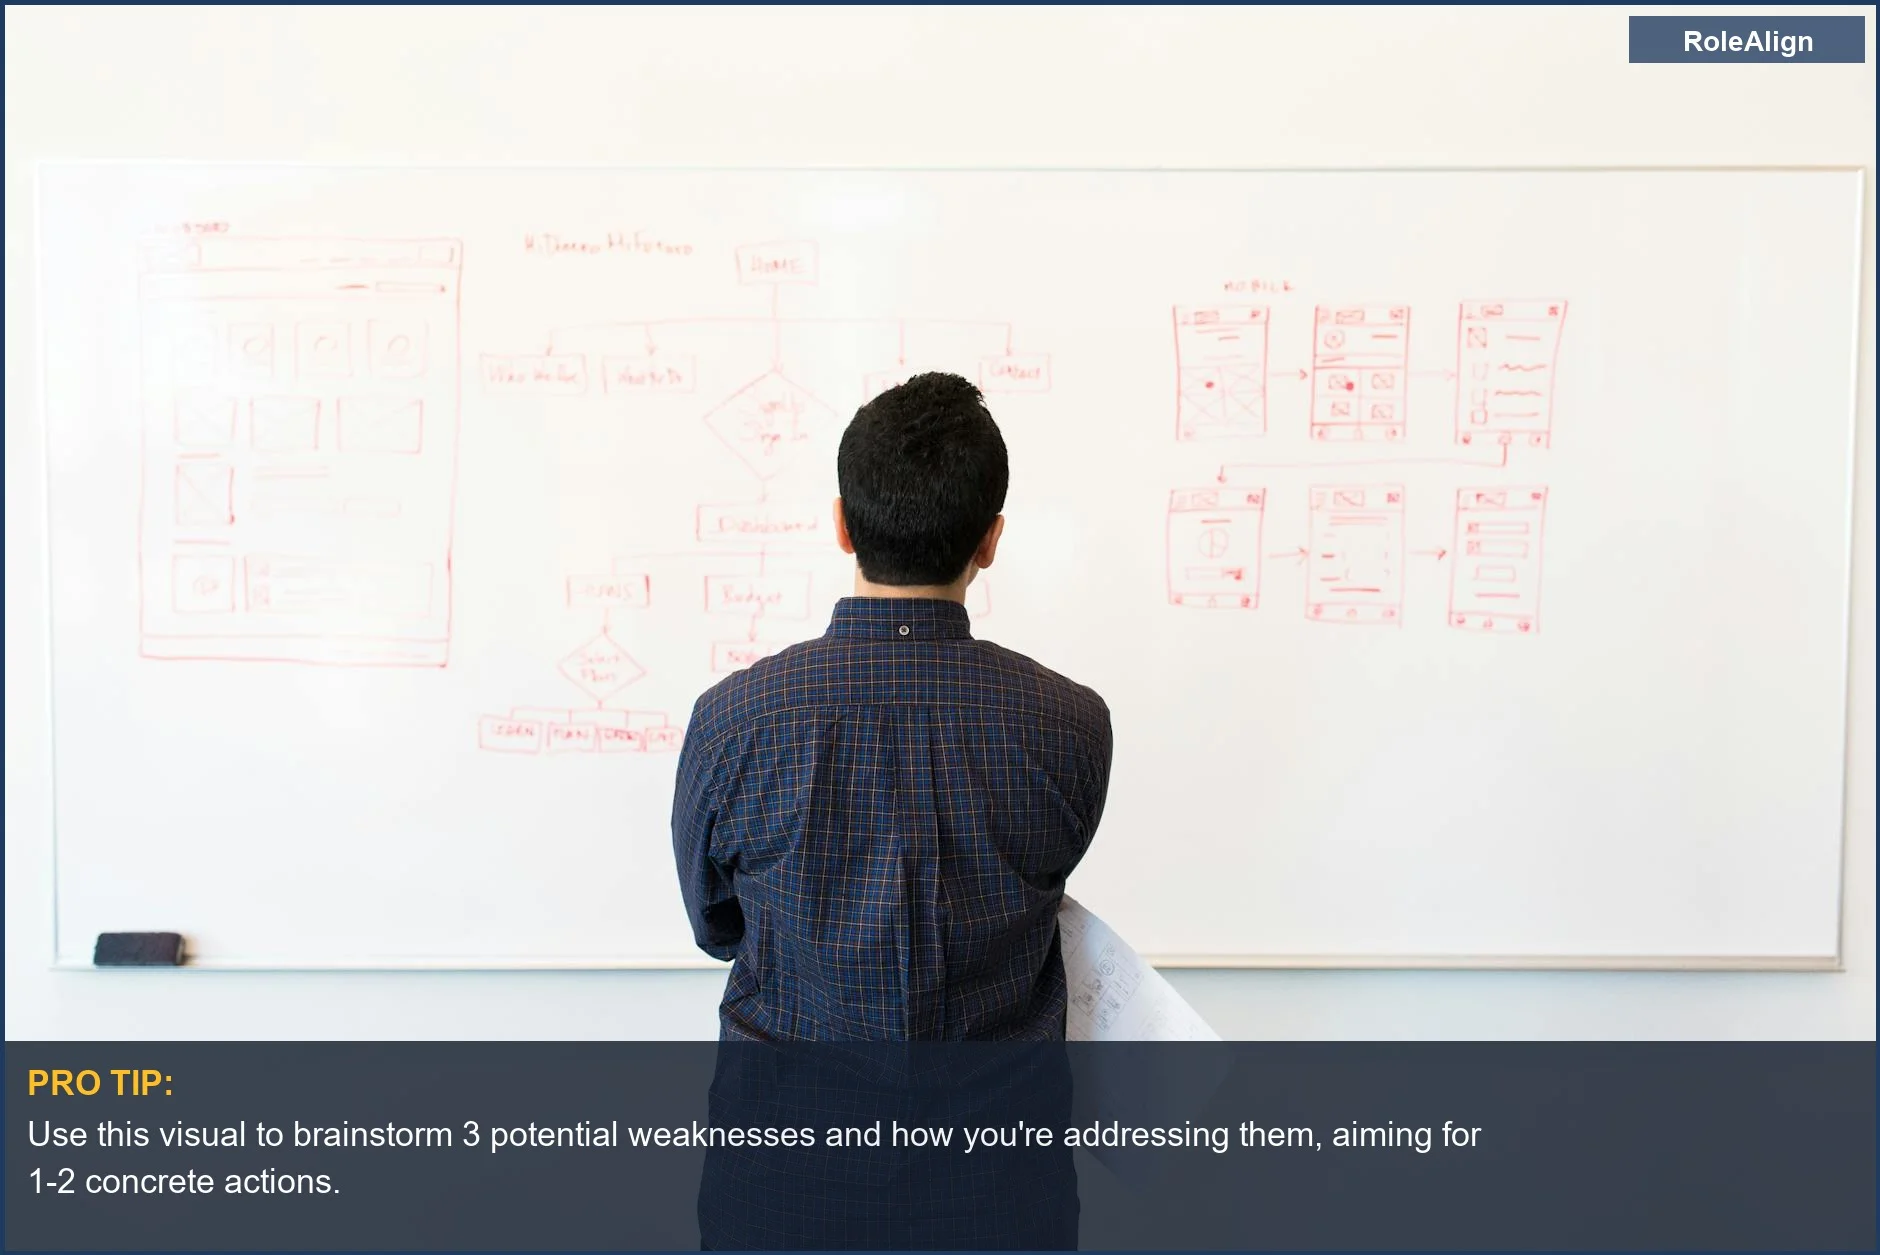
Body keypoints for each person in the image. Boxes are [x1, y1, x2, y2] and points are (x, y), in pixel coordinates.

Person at [673, 371, 1110, 1248]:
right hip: (997, 1192)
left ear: (841, 523)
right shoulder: (1070, 725)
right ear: (990, 541)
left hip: (784, 1184)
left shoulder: (734, 720)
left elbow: (718, 923)